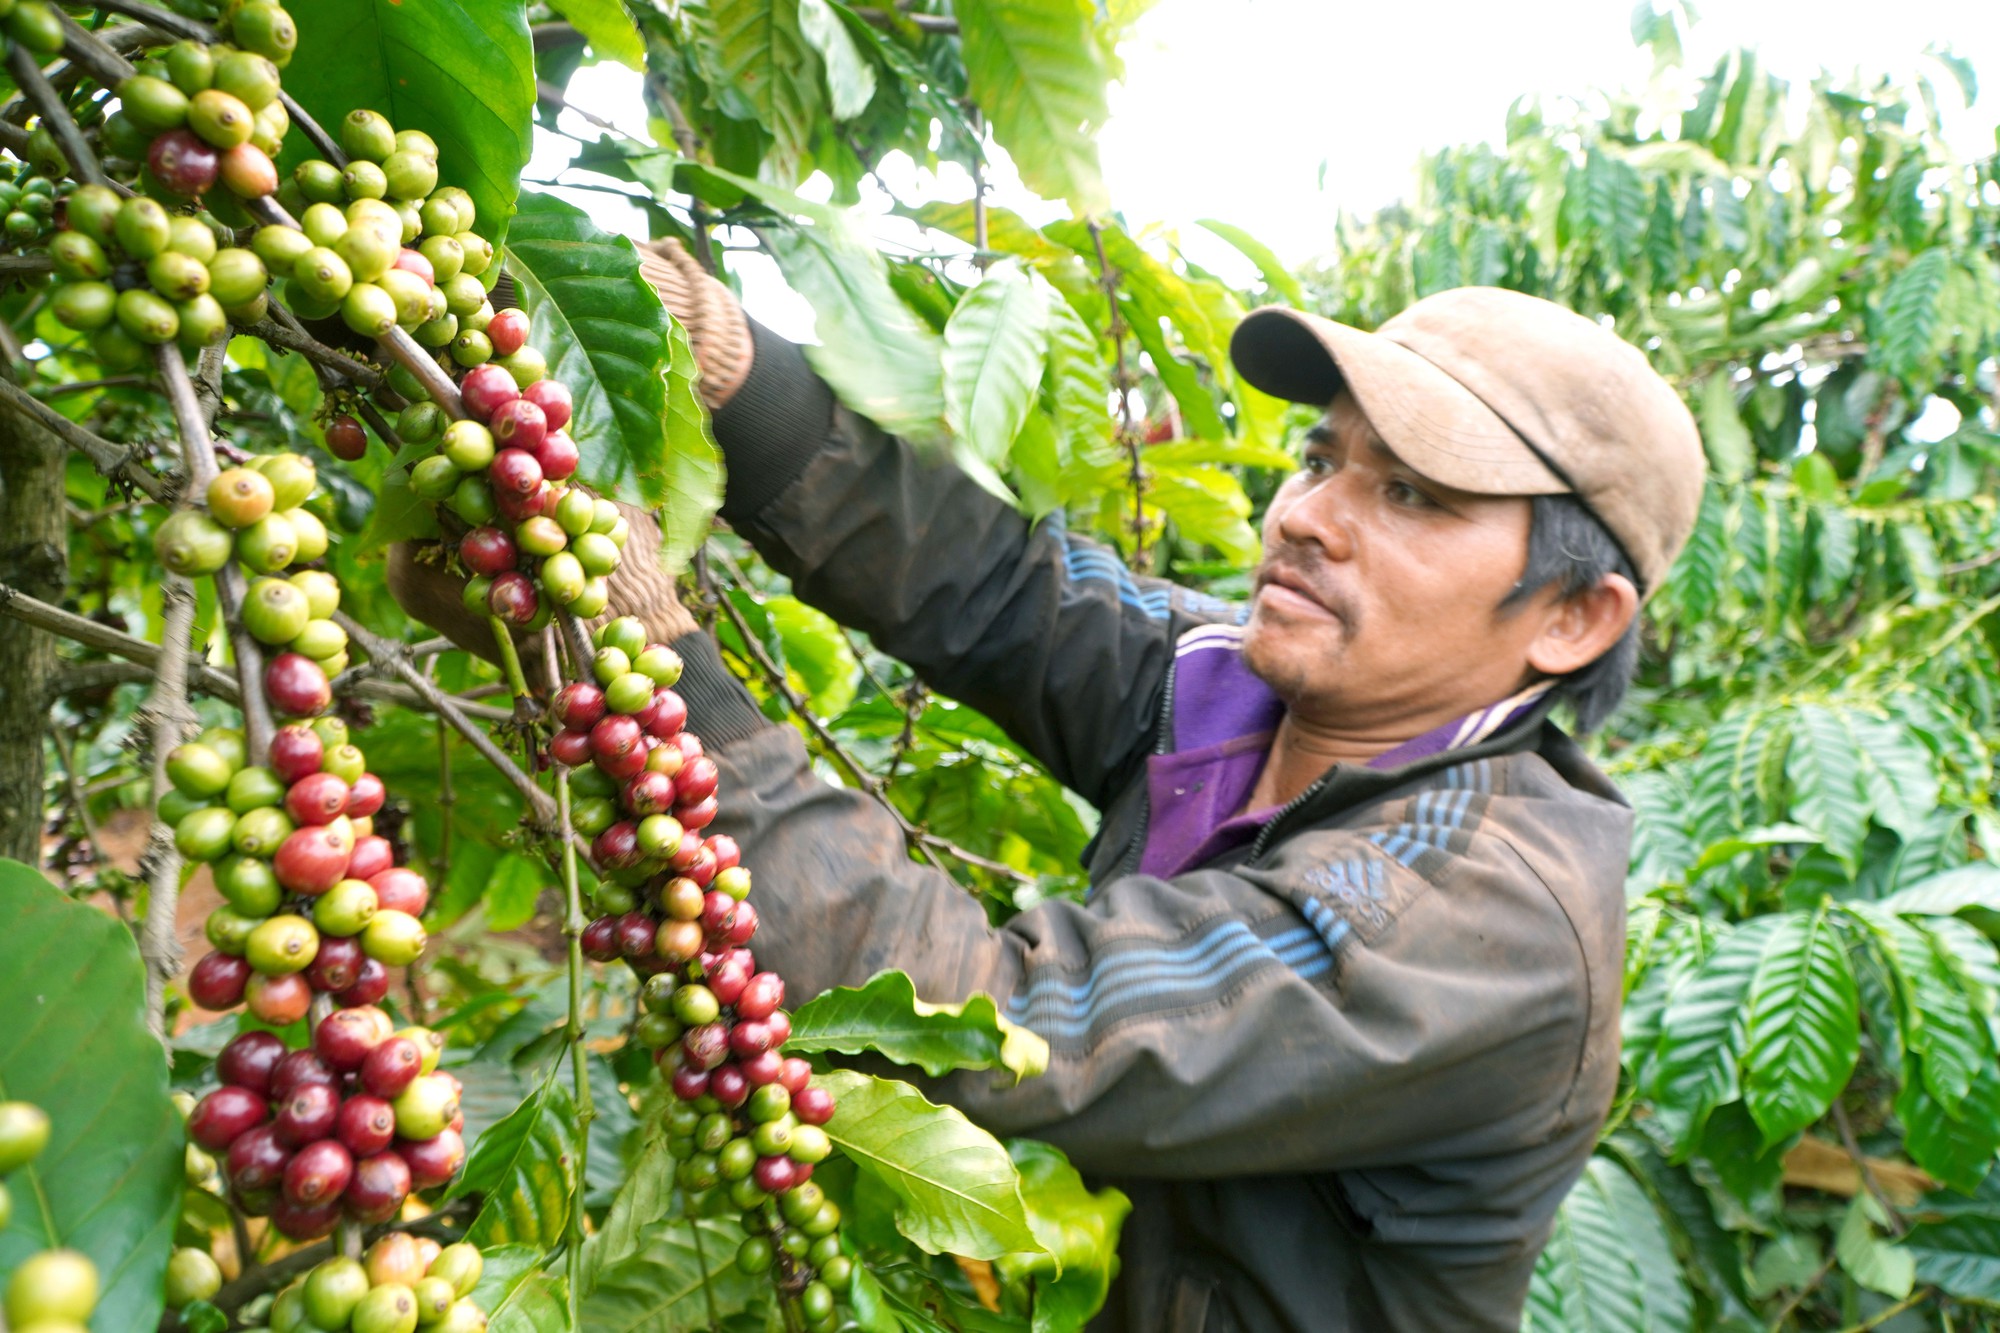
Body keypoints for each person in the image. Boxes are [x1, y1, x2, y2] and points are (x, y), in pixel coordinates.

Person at [393, 245, 1706, 1332]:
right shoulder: (1236, 686)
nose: (1307, 516)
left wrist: (644, 664)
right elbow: (1002, 591)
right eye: (1322, 461)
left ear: (1574, 619)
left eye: (1410, 493)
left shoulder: (1490, 917)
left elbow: (1004, 1021)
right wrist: (740, 375)